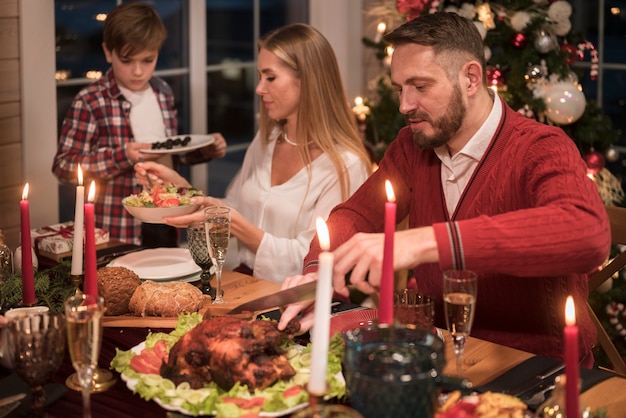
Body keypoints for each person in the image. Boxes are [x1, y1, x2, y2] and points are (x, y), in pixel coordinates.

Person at [278, 12, 611, 367]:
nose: (405, 105)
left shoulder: (541, 147)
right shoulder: (413, 145)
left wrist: (426, 242)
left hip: (536, 371)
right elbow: (356, 214)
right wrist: (317, 270)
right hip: (436, 358)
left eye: (420, 87)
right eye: (399, 89)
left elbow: (588, 234)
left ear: (470, 78)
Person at [135, 23, 372, 283]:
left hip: (299, 300)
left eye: (270, 77)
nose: (259, 88)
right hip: (245, 283)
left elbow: (314, 261)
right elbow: (234, 208)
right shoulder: (267, 139)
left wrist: (238, 226)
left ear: (308, 81)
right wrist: (183, 193)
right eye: (260, 76)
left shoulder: (345, 165)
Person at [51, 2, 227, 247]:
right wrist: (122, 156)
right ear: (107, 52)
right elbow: (63, 165)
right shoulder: (91, 101)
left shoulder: (162, 92)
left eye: (148, 60)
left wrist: (205, 150)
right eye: (127, 60)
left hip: (167, 220)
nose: (138, 71)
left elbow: (167, 156)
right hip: (117, 229)